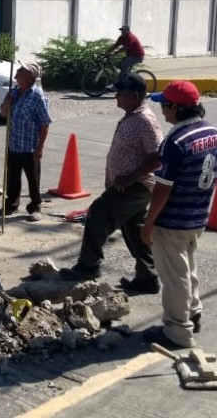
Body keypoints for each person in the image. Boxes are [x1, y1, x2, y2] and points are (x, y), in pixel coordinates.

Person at [58, 73, 163, 293]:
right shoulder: (133, 115)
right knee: (135, 230)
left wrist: (130, 176)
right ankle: (148, 278)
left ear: (135, 96)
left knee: (97, 213)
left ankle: (89, 265)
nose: (116, 97)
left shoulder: (145, 120)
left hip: (134, 187)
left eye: (121, 94)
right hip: (127, 185)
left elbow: (156, 157)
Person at [141, 80, 217, 349]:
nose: (162, 111)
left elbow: (162, 190)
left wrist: (149, 223)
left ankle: (178, 330)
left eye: (164, 105)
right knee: (187, 267)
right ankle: (193, 311)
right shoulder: (214, 134)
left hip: (172, 219)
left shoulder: (175, 142)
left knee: (174, 276)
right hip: (198, 213)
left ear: (176, 107)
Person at [0, 60, 51, 219]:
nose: (17, 73)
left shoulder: (38, 97)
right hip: (14, 143)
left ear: (29, 77)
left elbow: (45, 123)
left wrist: (40, 147)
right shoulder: (14, 92)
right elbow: (3, 113)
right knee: (12, 177)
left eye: (21, 71)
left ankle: (35, 207)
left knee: (33, 179)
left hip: (30, 147)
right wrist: (7, 105)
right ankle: (11, 205)